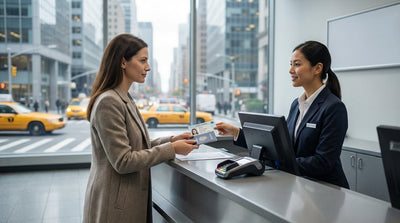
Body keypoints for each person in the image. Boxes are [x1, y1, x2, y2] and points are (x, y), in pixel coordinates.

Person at [83, 34, 199, 223]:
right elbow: (123, 161)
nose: (148, 67)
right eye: (143, 60)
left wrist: (171, 141)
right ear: (123, 62)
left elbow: (137, 145)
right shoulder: (109, 102)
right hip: (113, 205)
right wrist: (172, 150)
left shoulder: (124, 97)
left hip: (124, 200)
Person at [215, 41, 349, 189]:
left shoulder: (333, 107)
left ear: (317, 68)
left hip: (326, 189)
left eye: (297, 64)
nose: (291, 70)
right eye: (290, 64)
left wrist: (280, 163)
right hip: (301, 185)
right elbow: (281, 145)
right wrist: (236, 133)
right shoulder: (296, 105)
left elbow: (323, 162)